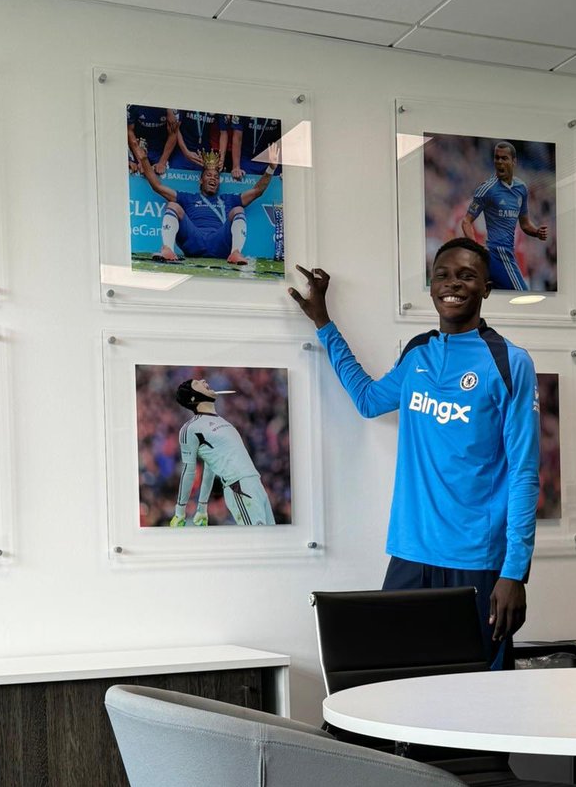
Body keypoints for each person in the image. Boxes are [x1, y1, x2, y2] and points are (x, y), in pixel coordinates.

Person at [289, 237, 540, 669]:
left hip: (477, 559)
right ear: (430, 286)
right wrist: (324, 324)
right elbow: (368, 399)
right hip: (410, 553)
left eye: (466, 275)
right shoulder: (418, 353)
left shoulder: (508, 361)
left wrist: (514, 572)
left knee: (481, 691)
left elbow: (524, 473)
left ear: (486, 288)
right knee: (400, 683)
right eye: (442, 274)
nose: (452, 284)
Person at [133, 140, 279, 267]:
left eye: (216, 176)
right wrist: (144, 160)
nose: (213, 178)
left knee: (238, 209)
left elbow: (257, 191)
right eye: (208, 175)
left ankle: (235, 253)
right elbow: (157, 187)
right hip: (194, 241)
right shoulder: (188, 198)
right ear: (201, 180)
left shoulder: (229, 199)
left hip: (219, 243)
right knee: (173, 206)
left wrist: (271, 168)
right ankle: (167, 250)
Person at [169, 379, 275, 528]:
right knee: (256, 542)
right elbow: (188, 471)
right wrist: (180, 512)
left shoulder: (222, 420)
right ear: (193, 398)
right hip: (239, 487)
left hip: (255, 484)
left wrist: (202, 507)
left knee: (271, 540)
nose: (203, 380)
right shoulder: (191, 428)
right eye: (197, 383)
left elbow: (210, 466)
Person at [460, 142, 547, 291]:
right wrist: (476, 247)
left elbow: (525, 225)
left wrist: (536, 232)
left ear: (514, 161)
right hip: (497, 254)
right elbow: (466, 221)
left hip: (516, 262)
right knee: (522, 296)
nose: (499, 162)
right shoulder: (487, 190)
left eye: (504, 158)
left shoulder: (521, 189)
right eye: (497, 158)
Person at [218, 113, 283, 180]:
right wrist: (236, 167)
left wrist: (286, 169)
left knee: (276, 182)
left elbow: (285, 136)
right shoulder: (243, 109)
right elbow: (237, 137)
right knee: (241, 181)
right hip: (246, 157)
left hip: (269, 158)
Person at [126, 105, 175, 175]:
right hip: (139, 148)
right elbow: (129, 131)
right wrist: (140, 160)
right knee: (135, 171)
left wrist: (162, 162)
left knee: (163, 174)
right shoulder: (133, 106)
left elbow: (174, 134)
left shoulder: (171, 110)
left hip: (160, 150)